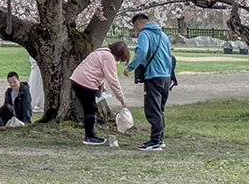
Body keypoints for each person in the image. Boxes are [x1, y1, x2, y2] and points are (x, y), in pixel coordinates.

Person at [126, 13, 174, 151]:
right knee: (159, 109)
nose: (135, 30)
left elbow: (142, 52)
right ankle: (159, 138)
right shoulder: (163, 35)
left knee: (152, 110)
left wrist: (130, 67)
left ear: (138, 23)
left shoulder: (144, 34)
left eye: (135, 27)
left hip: (153, 75)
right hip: (166, 76)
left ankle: (155, 141)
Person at [70, 42, 130, 145]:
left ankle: (90, 135)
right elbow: (113, 80)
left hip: (77, 80)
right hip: (85, 82)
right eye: (119, 59)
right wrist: (121, 98)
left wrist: (102, 88)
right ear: (118, 55)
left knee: (90, 109)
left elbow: (97, 71)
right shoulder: (108, 57)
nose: (117, 61)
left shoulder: (100, 52)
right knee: (90, 110)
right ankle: (89, 137)